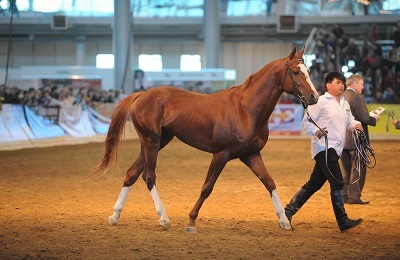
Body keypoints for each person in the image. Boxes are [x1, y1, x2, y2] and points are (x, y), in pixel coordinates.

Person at [285, 72, 363, 232]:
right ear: (328, 85)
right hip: (324, 148)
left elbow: (349, 121)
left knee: (314, 184)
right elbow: (306, 122)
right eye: (337, 82)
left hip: (336, 148)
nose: (341, 85)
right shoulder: (320, 101)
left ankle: (287, 212)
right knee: (337, 182)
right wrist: (317, 131)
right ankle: (343, 221)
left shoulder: (344, 103)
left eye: (342, 83)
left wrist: (355, 124)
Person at [341, 74, 379, 205]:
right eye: (361, 84)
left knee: (345, 171)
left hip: (343, 139)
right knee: (358, 169)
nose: (363, 87)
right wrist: (374, 119)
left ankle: (345, 196)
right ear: (355, 84)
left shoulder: (341, 96)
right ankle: (354, 197)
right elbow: (364, 118)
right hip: (356, 140)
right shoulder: (356, 97)